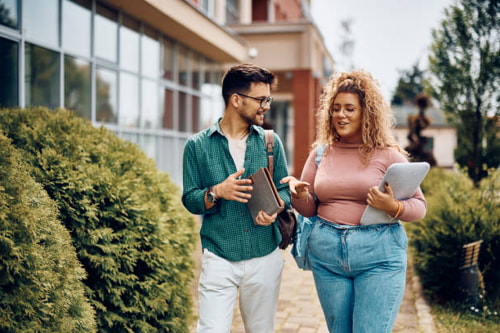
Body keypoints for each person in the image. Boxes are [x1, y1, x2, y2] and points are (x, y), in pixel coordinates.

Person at [281, 70, 427, 333]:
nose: (340, 115)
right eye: (336, 108)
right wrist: (300, 196)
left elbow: (419, 207)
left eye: (349, 108)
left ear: (366, 113)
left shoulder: (388, 155)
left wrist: (392, 206)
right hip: (327, 255)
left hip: (378, 255)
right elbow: (309, 209)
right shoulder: (320, 153)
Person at [182, 63, 290, 332]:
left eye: (268, 99)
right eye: (260, 99)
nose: (266, 105)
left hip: (264, 256)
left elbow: (285, 190)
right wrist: (216, 192)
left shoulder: (270, 142)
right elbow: (190, 199)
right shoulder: (197, 146)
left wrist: (275, 210)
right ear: (236, 100)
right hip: (219, 256)